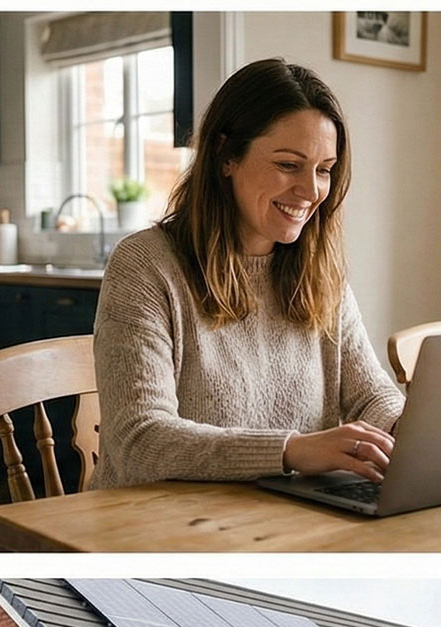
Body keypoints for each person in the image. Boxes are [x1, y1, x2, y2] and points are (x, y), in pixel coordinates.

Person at [89, 58, 403, 490]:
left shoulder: (318, 271)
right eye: (289, 165)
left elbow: (370, 396)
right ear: (225, 156)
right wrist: (290, 451)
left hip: (281, 521)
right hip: (158, 529)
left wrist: (410, 430)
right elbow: (139, 441)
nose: (311, 191)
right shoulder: (145, 267)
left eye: (324, 170)